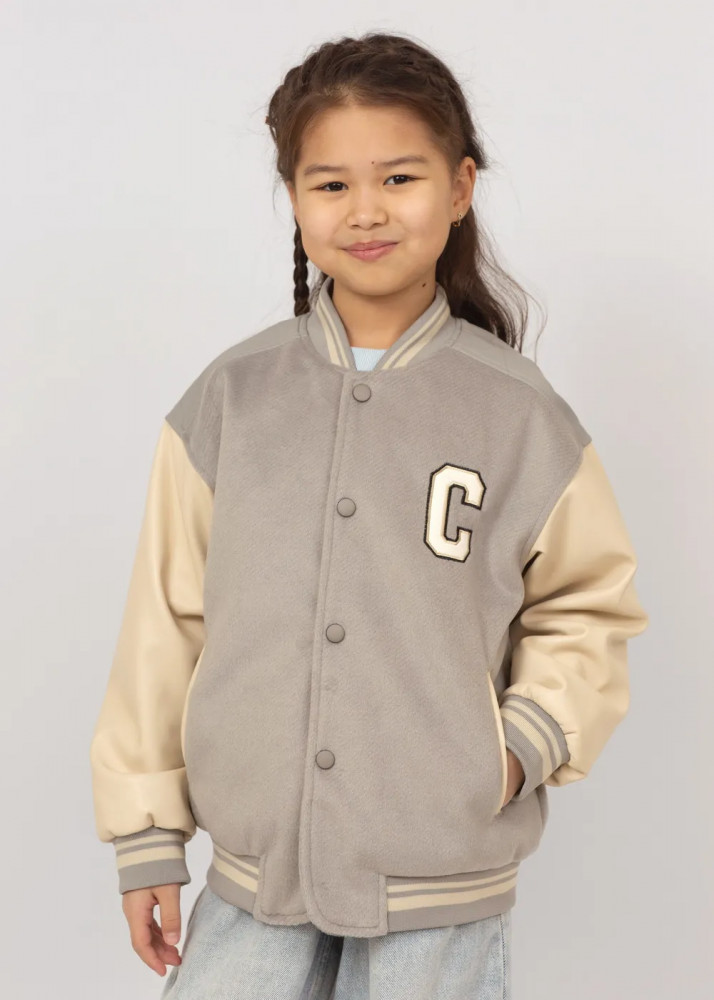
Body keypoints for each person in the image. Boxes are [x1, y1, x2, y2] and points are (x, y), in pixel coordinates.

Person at [89, 30, 649, 1000]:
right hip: (256, 875)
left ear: (460, 188)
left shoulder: (520, 414)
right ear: (294, 199)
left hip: (442, 886)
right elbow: (164, 625)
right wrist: (148, 836)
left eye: (399, 177)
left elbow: (589, 607)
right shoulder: (233, 398)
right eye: (331, 184)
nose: (367, 210)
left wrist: (514, 751)